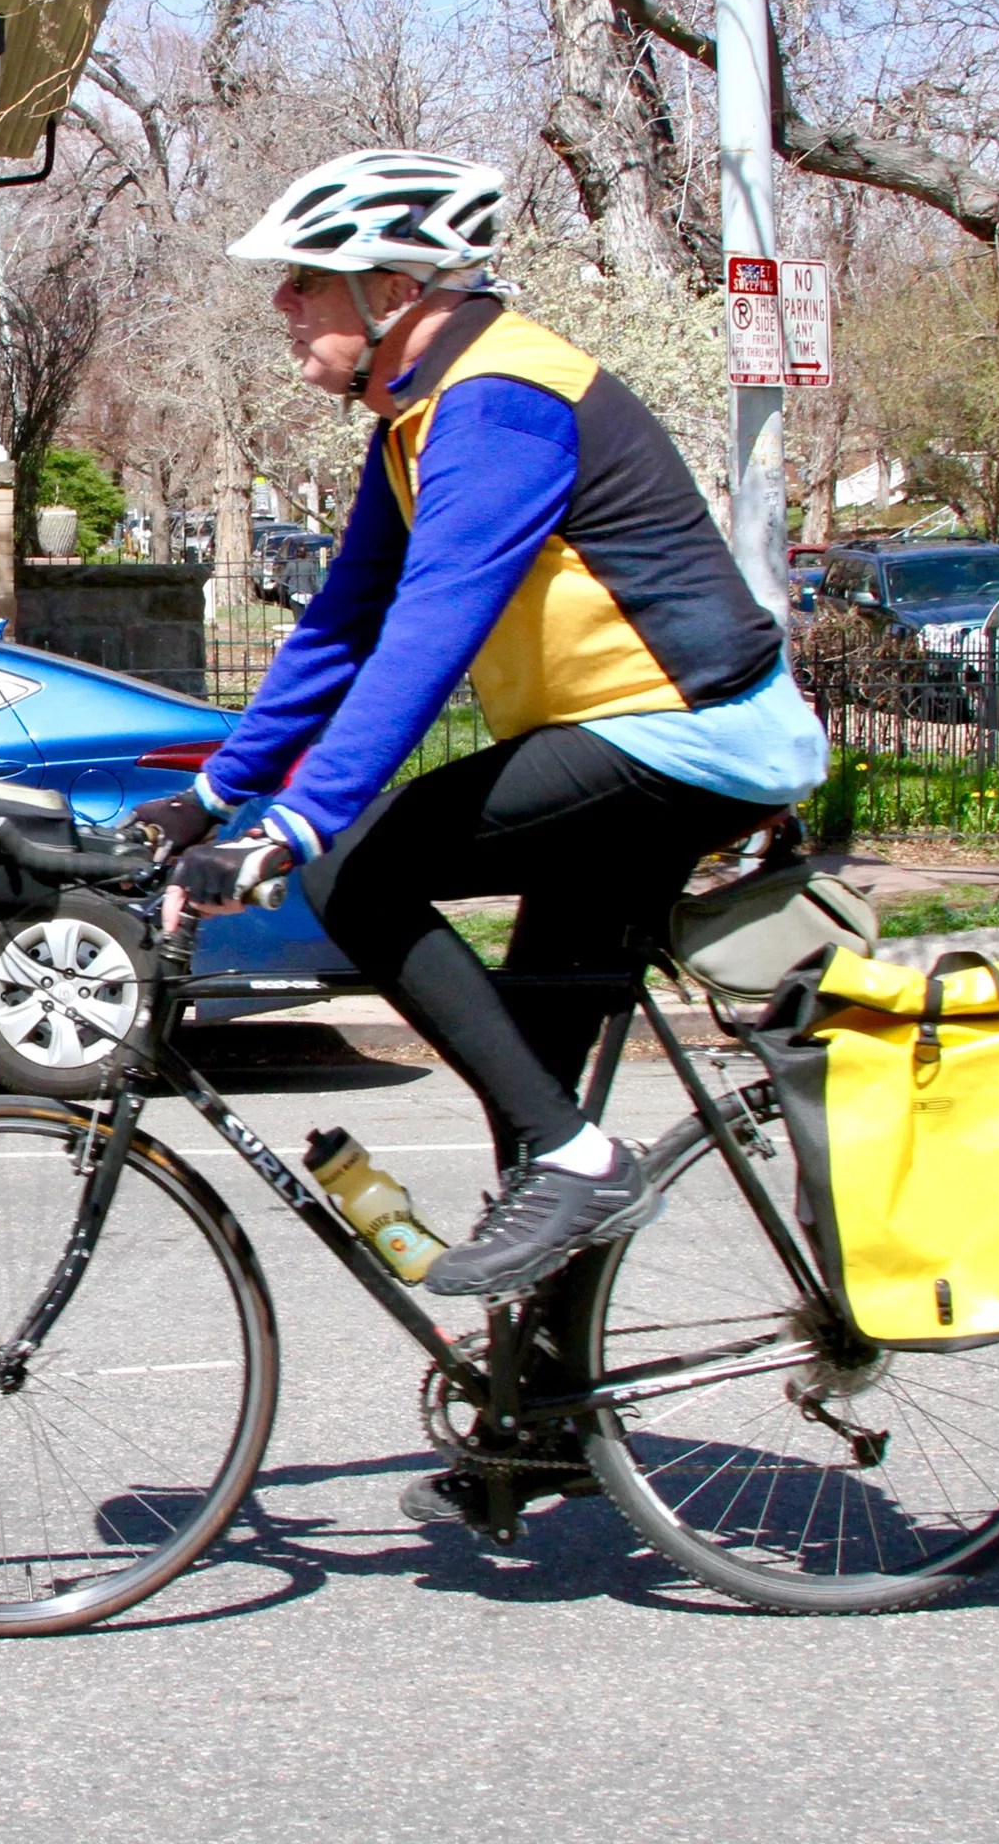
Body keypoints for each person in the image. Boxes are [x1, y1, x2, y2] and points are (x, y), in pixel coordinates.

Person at [136, 147, 829, 1351]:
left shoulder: (502, 400)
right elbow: (343, 625)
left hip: (694, 739)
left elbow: (431, 627)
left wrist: (294, 828)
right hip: (620, 748)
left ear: (393, 291)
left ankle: (578, 1164)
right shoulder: (415, 421)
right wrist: (211, 795)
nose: (282, 302)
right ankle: (547, 1399)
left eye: (306, 277)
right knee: (533, 1070)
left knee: (354, 868)